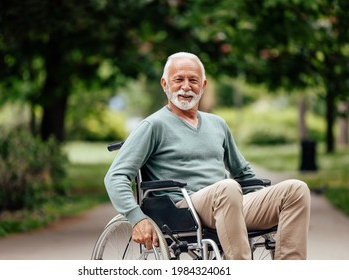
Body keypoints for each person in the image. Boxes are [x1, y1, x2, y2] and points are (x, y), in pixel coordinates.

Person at [104, 52, 311, 260]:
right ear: (165, 84)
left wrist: (267, 207)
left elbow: (244, 173)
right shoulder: (153, 125)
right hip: (183, 208)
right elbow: (115, 176)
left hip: (229, 203)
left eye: (193, 80)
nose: (186, 86)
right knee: (227, 187)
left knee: (296, 190)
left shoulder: (217, 124)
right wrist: (136, 218)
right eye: (178, 80)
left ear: (203, 86)